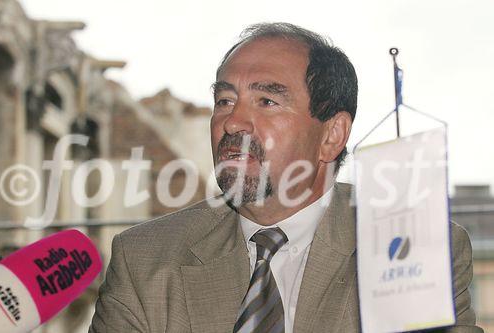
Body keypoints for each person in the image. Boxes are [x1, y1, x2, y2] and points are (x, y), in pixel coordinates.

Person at [89, 23, 482, 333]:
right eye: (225, 101)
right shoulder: (144, 260)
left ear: (332, 135)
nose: (233, 122)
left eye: (267, 101)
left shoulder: (414, 248)